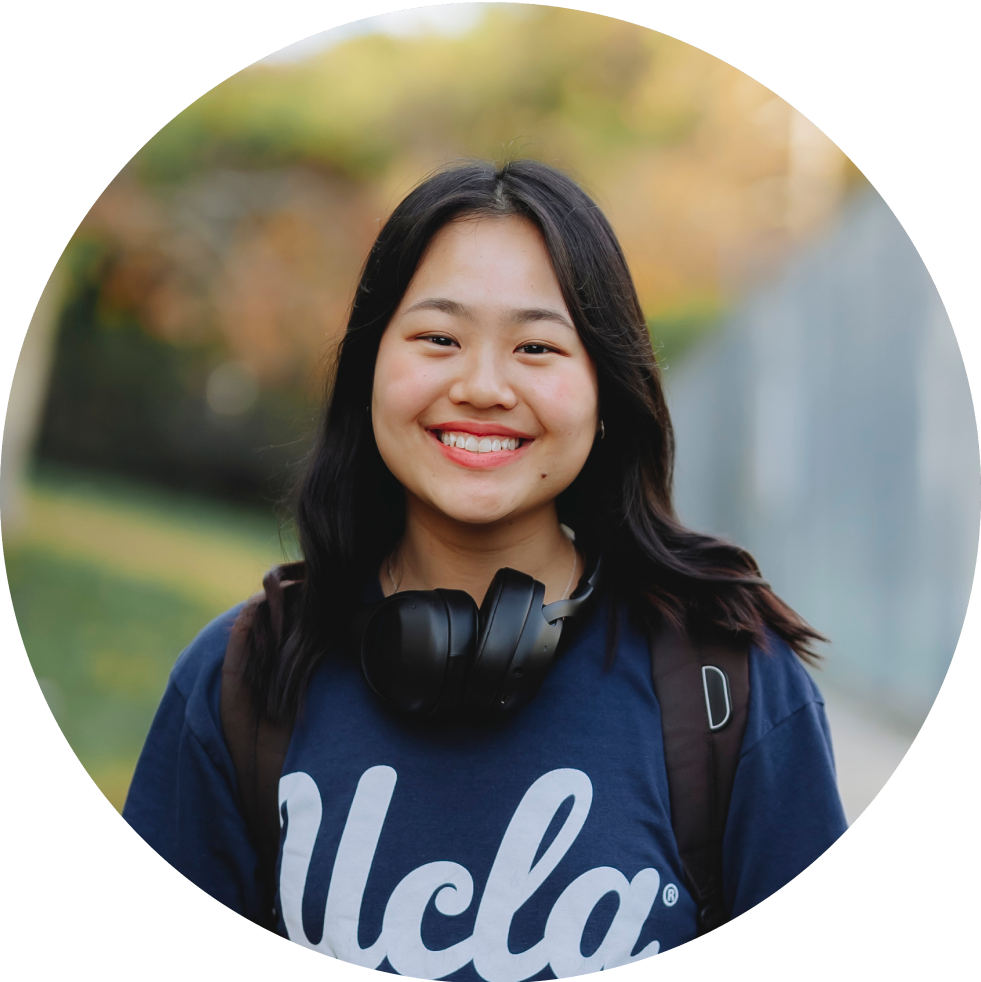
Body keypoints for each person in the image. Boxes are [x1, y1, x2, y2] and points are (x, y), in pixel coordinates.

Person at [123, 159, 847, 978]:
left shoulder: (733, 687)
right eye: (438, 338)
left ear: (606, 390)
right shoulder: (237, 681)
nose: (482, 386)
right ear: (367, 367)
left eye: (537, 346)